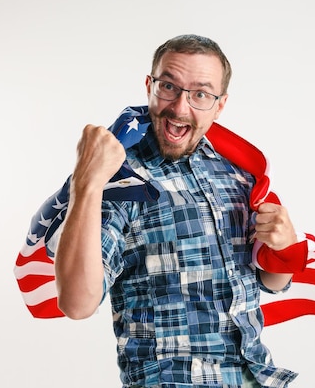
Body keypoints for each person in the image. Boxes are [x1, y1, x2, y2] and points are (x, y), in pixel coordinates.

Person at [54, 34, 299, 387]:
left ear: (220, 104)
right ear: (150, 86)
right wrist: (86, 184)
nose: (180, 108)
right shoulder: (121, 179)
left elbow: (270, 282)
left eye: (200, 93)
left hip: (256, 377)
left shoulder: (238, 173)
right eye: (169, 86)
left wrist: (284, 247)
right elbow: (77, 303)